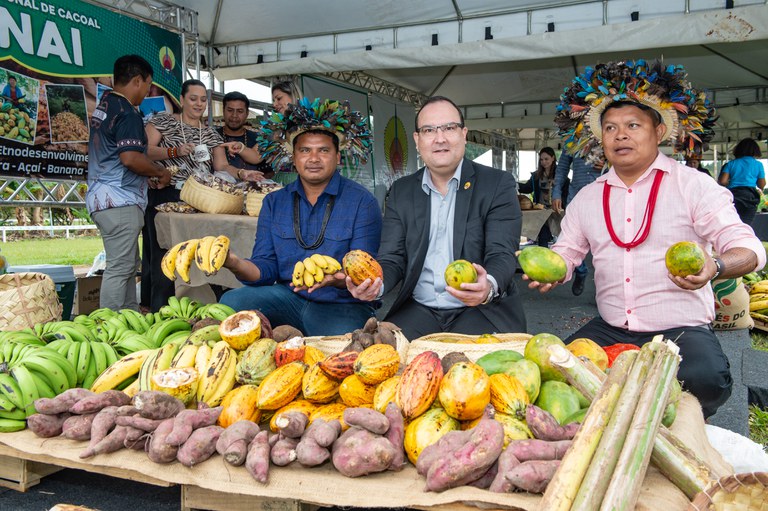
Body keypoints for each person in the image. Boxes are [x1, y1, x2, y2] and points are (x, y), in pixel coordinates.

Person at [530, 59, 765, 418]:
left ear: (658, 132)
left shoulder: (693, 185)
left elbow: (746, 247)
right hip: (609, 330)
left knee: (706, 380)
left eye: (632, 125)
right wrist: (552, 270)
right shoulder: (588, 197)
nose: (620, 135)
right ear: (600, 138)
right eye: (610, 128)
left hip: (679, 331)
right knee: (550, 372)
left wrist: (715, 266)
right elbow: (567, 252)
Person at [348, 96, 526, 340]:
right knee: (384, 362)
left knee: (473, 370)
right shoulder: (401, 191)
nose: (440, 138)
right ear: (417, 140)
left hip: (482, 310)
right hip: (419, 309)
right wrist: (375, 286)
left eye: (449, 128)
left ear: (464, 134)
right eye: (429, 130)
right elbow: (392, 258)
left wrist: (489, 285)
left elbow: (501, 253)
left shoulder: (497, 184)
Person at [219, 98, 382, 336]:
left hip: (342, 304)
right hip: (288, 297)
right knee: (230, 302)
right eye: (305, 150)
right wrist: (234, 263)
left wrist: (335, 278)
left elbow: (363, 271)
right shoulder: (274, 202)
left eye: (323, 150)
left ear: (338, 157)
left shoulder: (362, 202)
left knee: (346, 347)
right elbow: (266, 268)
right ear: (293, 157)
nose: (313, 158)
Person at [140, 79, 264, 313]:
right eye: (193, 98)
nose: (198, 104)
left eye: (203, 99)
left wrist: (241, 172)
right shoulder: (163, 121)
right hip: (164, 192)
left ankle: (192, 308)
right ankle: (158, 308)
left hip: (198, 200)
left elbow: (221, 165)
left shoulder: (209, 133)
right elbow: (144, 150)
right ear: (182, 99)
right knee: (161, 253)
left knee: (192, 253)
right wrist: (174, 151)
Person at [85, 55, 171, 311]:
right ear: (137, 80)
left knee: (127, 265)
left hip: (103, 198)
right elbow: (131, 159)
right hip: (119, 200)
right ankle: (108, 326)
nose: (147, 91)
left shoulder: (105, 105)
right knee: (120, 268)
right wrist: (159, 172)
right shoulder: (127, 113)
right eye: (147, 84)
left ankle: (129, 320)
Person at [551, 151, 604, 296]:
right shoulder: (571, 140)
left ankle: (604, 294)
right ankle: (581, 271)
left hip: (604, 198)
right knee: (569, 242)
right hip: (576, 198)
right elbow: (561, 169)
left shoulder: (607, 135)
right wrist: (556, 193)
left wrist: (608, 166)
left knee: (605, 249)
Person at [216, 91, 274, 180]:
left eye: (240, 111)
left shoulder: (258, 139)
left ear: (247, 113)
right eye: (230, 110)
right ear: (223, 111)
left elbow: (269, 171)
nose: (234, 115)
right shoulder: (212, 137)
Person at [518, 147, 567, 247]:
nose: (543, 162)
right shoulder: (536, 175)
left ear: (553, 158)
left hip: (557, 211)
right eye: (541, 159)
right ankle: (543, 258)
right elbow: (527, 188)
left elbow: (566, 191)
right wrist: (515, 185)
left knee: (562, 236)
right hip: (542, 212)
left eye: (546, 159)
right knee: (543, 237)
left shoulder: (560, 174)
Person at [718, 138, 765, 225]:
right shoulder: (758, 165)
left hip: (733, 196)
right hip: (750, 197)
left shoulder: (731, 163)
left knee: (731, 224)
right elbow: (761, 184)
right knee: (745, 226)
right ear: (756, 150)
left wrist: (732, 183)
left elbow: (722, 181)